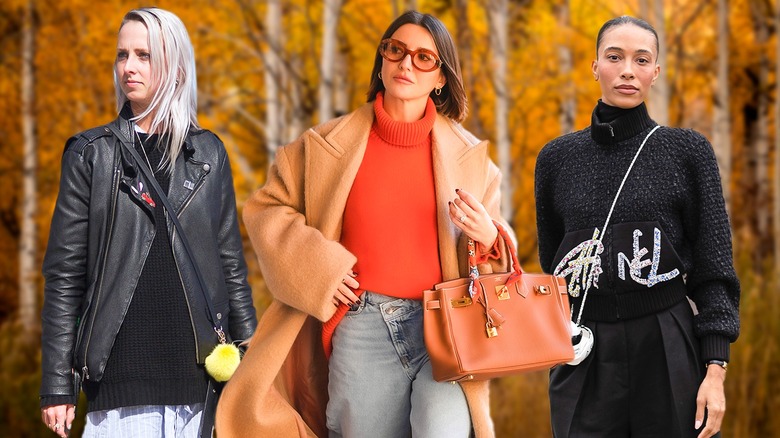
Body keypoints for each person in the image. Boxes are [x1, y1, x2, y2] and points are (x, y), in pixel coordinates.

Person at [216, 10, 512, 438]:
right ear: (382, 60)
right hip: (364, 327)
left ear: (442, 77)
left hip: (448, 330)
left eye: (424, 58)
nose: (406, 64)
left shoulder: (473, 160)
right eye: (396, 50)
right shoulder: (325, 145)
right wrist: (320, 268)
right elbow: (266, 209)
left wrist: (489, 238)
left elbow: (500, 266)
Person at [39, 7, 257, 438]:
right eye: (122, 55)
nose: (129, 67)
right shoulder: (90, 154)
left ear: (175, 67)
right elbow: (64, 276)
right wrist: (56, 384)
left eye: (144, 54)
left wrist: (254, 364)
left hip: (202, 385)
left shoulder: (208, 154)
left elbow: (231, 265)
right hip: (121, 385)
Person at [535, 15, 740, 438]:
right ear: (595, 66)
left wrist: (715, 371)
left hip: (667, 344)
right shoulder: (555, 159)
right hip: (584, 352)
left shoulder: (687, 151)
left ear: (655, 72)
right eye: (615, 56)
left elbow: (714, 267)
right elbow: (555, 262)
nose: (628, 69)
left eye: (641, 59)